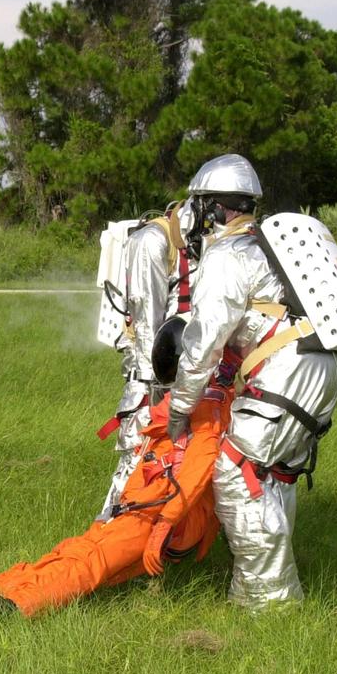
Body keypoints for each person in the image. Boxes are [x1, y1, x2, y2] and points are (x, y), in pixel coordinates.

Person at [0, 324, 234, 618]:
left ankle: (3, 611)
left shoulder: (207, 410)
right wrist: (115, 513)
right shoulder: (193, 406)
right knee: (69, 554)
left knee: (86, 564)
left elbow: (198, 467)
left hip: (158, 519)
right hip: (141, 512)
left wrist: (165, 524)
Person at [165, 154, 337, 610]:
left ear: (212, 208)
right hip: (320, 366)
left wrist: (180, 408)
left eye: (199, 205)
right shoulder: (272, 246)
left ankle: (271, 606)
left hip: (285, 371)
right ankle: (260, 593)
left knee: (237, 473)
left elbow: (202, 345)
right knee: (272, 476)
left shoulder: (227, 256)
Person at [97, 199, 209, 522]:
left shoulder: (214, 244)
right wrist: (160, 403)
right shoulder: (152, 242)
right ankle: (103, 546)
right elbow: (147, 335)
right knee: (135, 474)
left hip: (194, 378)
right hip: (155, 384)